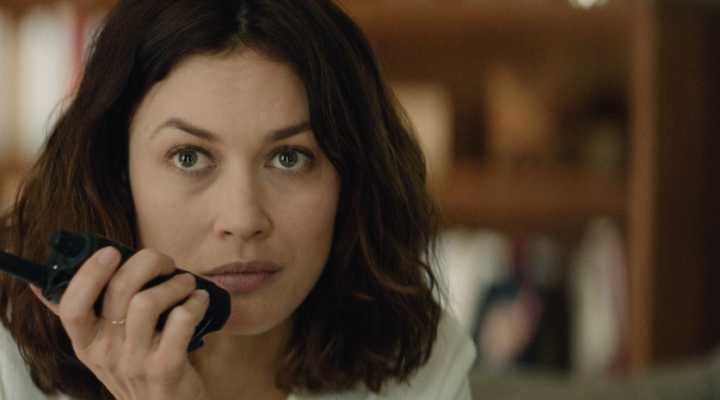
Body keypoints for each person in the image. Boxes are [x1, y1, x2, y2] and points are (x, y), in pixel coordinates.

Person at [0, 0, 476, 399]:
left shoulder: (416, 364)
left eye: (289, 158)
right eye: (189, 157)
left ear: (351, 178)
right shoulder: (9, 366)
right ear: (117, 173)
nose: (243, 219)